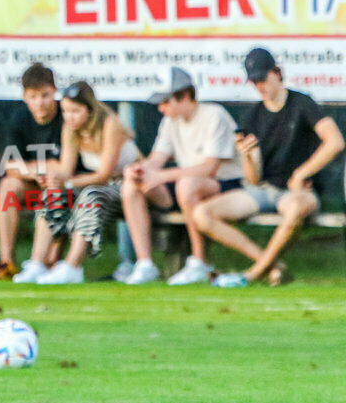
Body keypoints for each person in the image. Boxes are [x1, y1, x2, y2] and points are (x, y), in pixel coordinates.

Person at [193, 47, 344, 286]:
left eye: (262, 78)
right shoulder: (253, 116)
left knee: (295, 210)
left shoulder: (301, 103)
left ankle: (251, 274)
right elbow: (253, 180)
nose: (259, 85)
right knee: (202, 214)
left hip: (297, 191)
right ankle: (273, 266)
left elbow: (335, 141)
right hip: (264, 190)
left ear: (277, 73)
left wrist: (301, 172)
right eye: (254, 81)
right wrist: (248, 157)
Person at [120, 67, 244, 285]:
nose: (161, 108)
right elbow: (156, 159)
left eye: (166, 101)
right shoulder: (171, 121)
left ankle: (199, 261)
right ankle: (145, 263)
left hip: (226, 186)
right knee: (131, 185)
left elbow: (210, 168)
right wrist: (140, 170)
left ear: (185, 96)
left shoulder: (214, 115)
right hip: (184, 186)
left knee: (186, 186)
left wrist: (162, 176)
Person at [15, 81, 140, 284]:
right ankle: (36, 264)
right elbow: (66, 170)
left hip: (127, 185)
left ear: (90, 110)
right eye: (65, 111)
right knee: (52, 194)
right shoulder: (70, 129)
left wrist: (68, 183)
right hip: (97, 185)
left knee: (90, 195)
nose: (69, 116)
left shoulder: (110, 124)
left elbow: (104, 175)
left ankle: (72, 266)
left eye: (75, 111)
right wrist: (52, 178)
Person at [0, 62, 65, 280]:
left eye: (45, 95)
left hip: (65, 183)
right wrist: (36, 173)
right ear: (25, 96)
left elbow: (65, 167)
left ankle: (45, 262)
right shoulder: (19, 118)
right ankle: (7, 263)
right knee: (7, 186)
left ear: (54, 92)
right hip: (33, 180)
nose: (40, 102)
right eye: (33, 96)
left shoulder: (66, 116)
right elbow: (10, 165)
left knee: (54, 189)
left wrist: (44, 172)